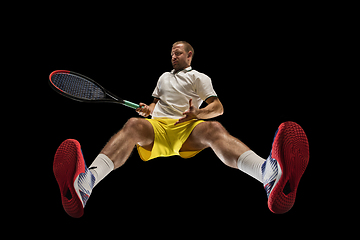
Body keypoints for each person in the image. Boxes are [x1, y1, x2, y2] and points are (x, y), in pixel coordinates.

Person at [53, 41, 309, 218]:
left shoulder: (199, 78)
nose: (173, 56)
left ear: (189, 56)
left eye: (178, 52)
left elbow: (218, 107)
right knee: (132, 125)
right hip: (158, 129)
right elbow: (156, 105)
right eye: (171, 53)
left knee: (215, 129)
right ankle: (86, 183)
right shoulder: (163, 78)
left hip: (188, 129)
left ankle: (267, 174)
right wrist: (148, 109)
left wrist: (198, 113)